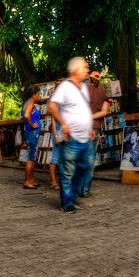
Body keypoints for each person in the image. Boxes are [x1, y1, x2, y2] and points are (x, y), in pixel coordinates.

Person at [48, 57, 94, 213]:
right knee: (67, 172)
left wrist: (90, 127)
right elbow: (52, 106)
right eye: (85, 67)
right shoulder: (65, 87)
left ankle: (71, 195)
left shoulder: (84, 87)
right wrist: (63, 124)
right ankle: (67, 203)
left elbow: (83, 109)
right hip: (71, 137)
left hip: (85, 137)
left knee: (84, 167)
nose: (88, 69)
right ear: (76, 70)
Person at [78, 71, 110, 198]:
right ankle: (85, 190)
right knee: (90, 160)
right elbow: (104, 112)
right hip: (94, 128)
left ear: (89, 78)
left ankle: (76, 188)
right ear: (99, 80)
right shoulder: (103, 93)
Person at [21, 85, 42, 189]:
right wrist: (33, 124)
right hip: (32, 133)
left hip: (30, 133)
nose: (39, 96)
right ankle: (27, 181)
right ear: (33, 95)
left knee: (32, 157)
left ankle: (31, 180)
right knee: (31, 157)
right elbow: (26, 115)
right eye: (38, 94)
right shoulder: (30, 103)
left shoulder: (27, 102)